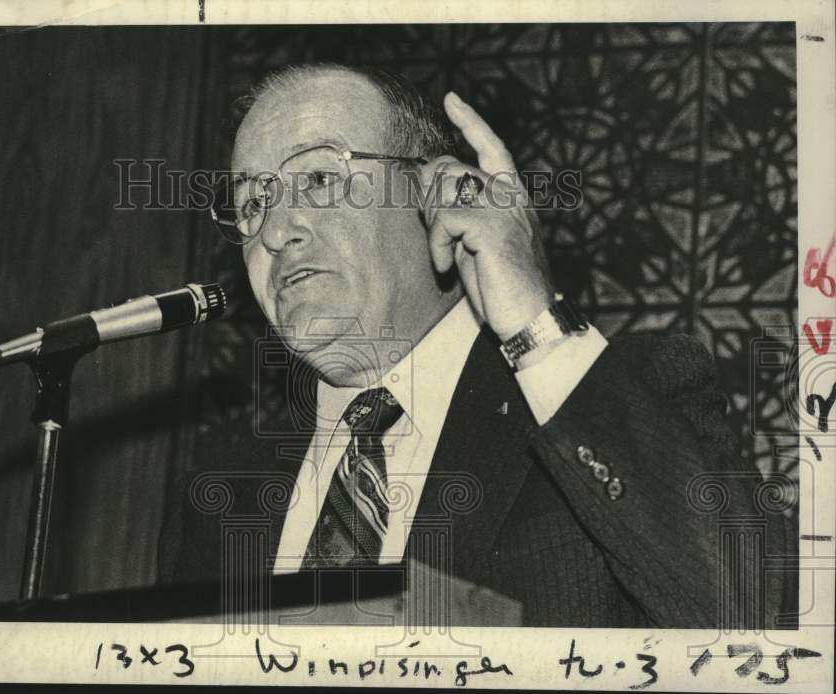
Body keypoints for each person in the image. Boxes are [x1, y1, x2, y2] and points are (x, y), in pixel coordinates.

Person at [168, 62, 794, 628]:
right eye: (253, 202)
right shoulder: (222, 494)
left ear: (433, 191)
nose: (276, 231)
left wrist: (536, 324)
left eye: (321, 178)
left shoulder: (603, 397)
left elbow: (756, 617)